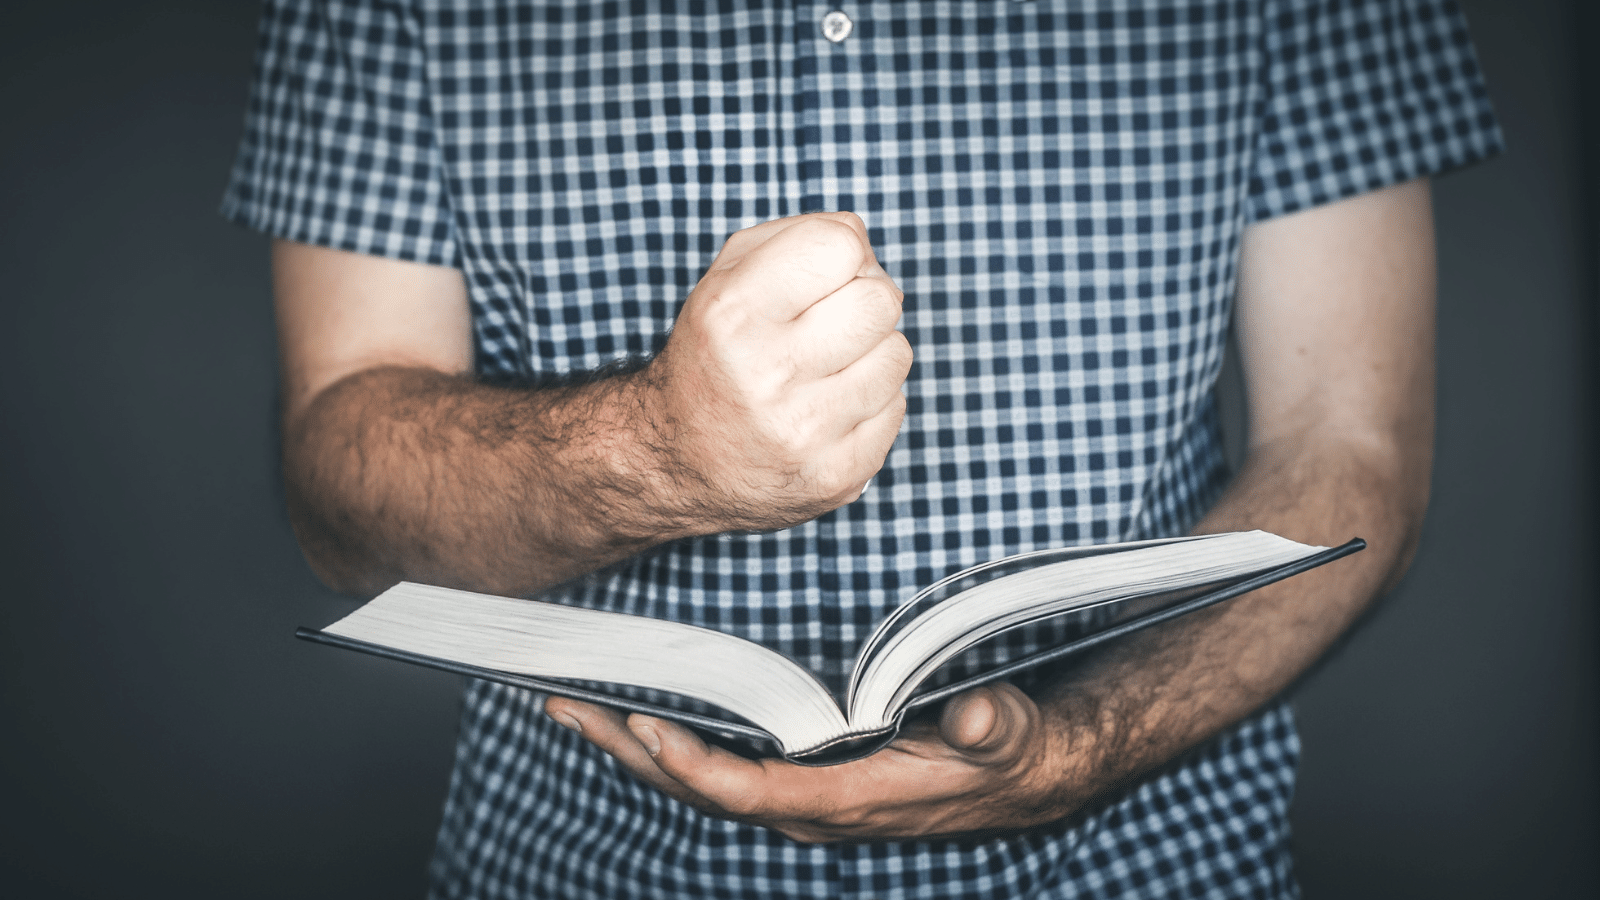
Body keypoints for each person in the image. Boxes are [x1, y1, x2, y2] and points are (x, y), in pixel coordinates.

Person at [224, 1, 1501, 896]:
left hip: (1143, 863)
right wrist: (658, 449)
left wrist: (1080, 749)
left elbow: (1354, 448)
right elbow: (341, 497)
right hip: (580, 864)